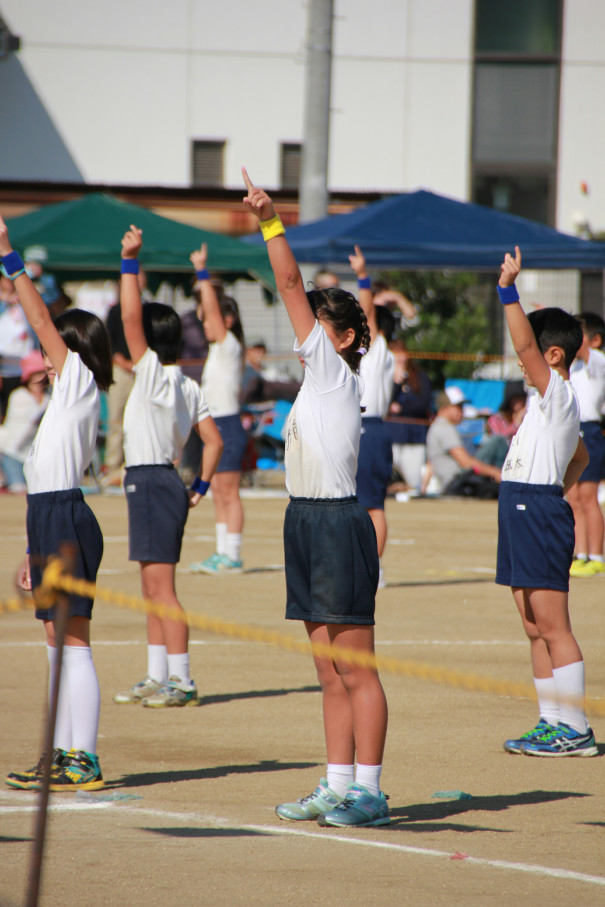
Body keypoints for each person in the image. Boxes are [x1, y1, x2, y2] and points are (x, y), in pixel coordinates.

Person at [243, 168, 390, 828]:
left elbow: (289, 284)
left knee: (355, 668)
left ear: (345, 339)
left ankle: (370, 790)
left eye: (319, 328)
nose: (306, 335)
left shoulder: (334, 370)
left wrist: (271, 219)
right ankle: (336, 785)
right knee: (328, 671)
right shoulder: (314, 381)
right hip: (302, 520)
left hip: (335, 523)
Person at [0, 217, 114, 792]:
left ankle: (83, 756)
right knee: (53, 641)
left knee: (72, 641)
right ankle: (62, 752)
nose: (46, 356)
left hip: (68, 516)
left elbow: (42, 321)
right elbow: (39, 483)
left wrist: (9, 259)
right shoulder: (62, 397)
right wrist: (28, 549)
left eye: (54, 349)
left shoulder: (79, 381)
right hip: (47, 517)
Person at [113, 226, 223, 708]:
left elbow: (130, 315)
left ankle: (181, 678)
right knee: (150, 586)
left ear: (150, 343)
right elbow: (213, 442)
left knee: (162, 589)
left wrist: (130, 262)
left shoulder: (155, 375)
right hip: (159, 481)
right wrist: (198, 485)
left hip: (153, 480)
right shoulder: (187, 382)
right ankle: (160, 673)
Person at [496, 246, 597, 757]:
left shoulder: (556, 391)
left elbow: (524, 341)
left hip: (535, 510)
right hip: (523, 506)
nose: (522, 356)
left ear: (551, 355)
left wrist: (508, 291)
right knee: (533, 626)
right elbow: (578, 456)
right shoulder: (547, 405)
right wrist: (557, 484)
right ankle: (551, 721)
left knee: (554, 625)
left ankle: (575, 728)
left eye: (531, 351)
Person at [188, 244, 248, 576]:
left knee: (228, 492)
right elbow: (208, 312)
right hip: (216, 425)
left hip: (227, 424)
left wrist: (202, 272)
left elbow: (210, 309)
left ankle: (233, 555)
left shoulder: (229, 345)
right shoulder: (218, 349)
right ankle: (222, 553)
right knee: (216, 495)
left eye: (211, 319)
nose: (205, 324)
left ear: (227, 319)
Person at [347, 245, 395, 589]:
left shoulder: (377, 349)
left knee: (372, 506)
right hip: (360, 428)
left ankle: (373, 571)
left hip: (371, 429)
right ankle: (363, 565)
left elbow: (367, 314)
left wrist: (362, 276)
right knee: (359, 505)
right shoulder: (371, 354)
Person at [103, 269, 152, 486]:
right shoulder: (115, 311)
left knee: (140, 421)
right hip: (120, 370)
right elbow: (109, 342)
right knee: (116, 421)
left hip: (142, 370)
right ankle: (112, 468)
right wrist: (123, 362)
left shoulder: (148, 309)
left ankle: (134, 465)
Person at [567, 313, 605, 577]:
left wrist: (560, 322)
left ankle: (596, 555)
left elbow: (580, 347)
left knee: (589, 498)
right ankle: (580, 554)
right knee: (574, 497)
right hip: (573, 430)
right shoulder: (576, 367)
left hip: (590, 431)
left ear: (596, 340)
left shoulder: (599, 361)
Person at [424, 386, 501, 497]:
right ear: (444, 408)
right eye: (458, 407)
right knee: (498, 441)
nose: (462, 410)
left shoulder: (438, 426)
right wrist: (496, 473)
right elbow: (466, 463)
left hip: (454, 483)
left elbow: (430, 463)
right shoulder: (444, 427)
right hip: (458, 484)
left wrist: (423, 487)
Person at [387, 338, 433, 492]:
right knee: (391, 482)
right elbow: (385, 404)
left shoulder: (419, 377)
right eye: (395, 353)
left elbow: (423, 402)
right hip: (392, 437)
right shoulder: (384, 376)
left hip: (414, 438)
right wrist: (397, 381)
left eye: (402, 352)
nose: (399, 357)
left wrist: (400, 408)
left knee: (413, 482)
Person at [0, 350, 49, 493]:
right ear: (28, 376)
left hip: (34, 457)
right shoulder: (19, 396)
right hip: (13, 454)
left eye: (42, 374)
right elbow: (28, 421)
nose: (40, 378)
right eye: (37, 374)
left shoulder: (47, 398)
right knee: (19, 489)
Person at [477, 390, 527, 468]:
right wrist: (516, 425)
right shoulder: (496, 418)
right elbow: (498, 438)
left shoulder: (528, 418)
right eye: (517, 399)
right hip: (498, 460)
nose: (520, 402)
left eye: (522, 398)